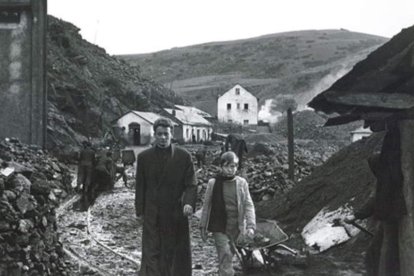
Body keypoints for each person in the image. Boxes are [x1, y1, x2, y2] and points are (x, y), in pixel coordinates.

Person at [135, 118, 197, 276]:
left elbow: (191, 184)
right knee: (152, 251)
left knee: (173, 253)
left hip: (175, 213)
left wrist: (188, 203)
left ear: (171, 134)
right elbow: (140, 186)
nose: (163, 137)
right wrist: (139, 211)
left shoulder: (184, 157)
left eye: (166, 134)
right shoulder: (144, 158)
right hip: (152, 213)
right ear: (154, 135)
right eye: (159, 134)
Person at [344, 123, 406, 276]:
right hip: (393, 217)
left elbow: (376, 200)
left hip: (396, 217)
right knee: (376, 252)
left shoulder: (389, 180)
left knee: (383, 253)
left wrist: (355, 215)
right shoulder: (395, 172)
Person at [199, 151, 256, 276]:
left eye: (235, 166)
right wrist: (203, 226)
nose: (232, 169)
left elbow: (248, 205)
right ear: (221, 166)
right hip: (219, 226)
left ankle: (224, 272)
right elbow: (207, 205)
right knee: (226, 254)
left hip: (237, 226)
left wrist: (251, 226)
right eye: (229, 166)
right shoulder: (213, 183)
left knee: (231, 254)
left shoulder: (241, 183)